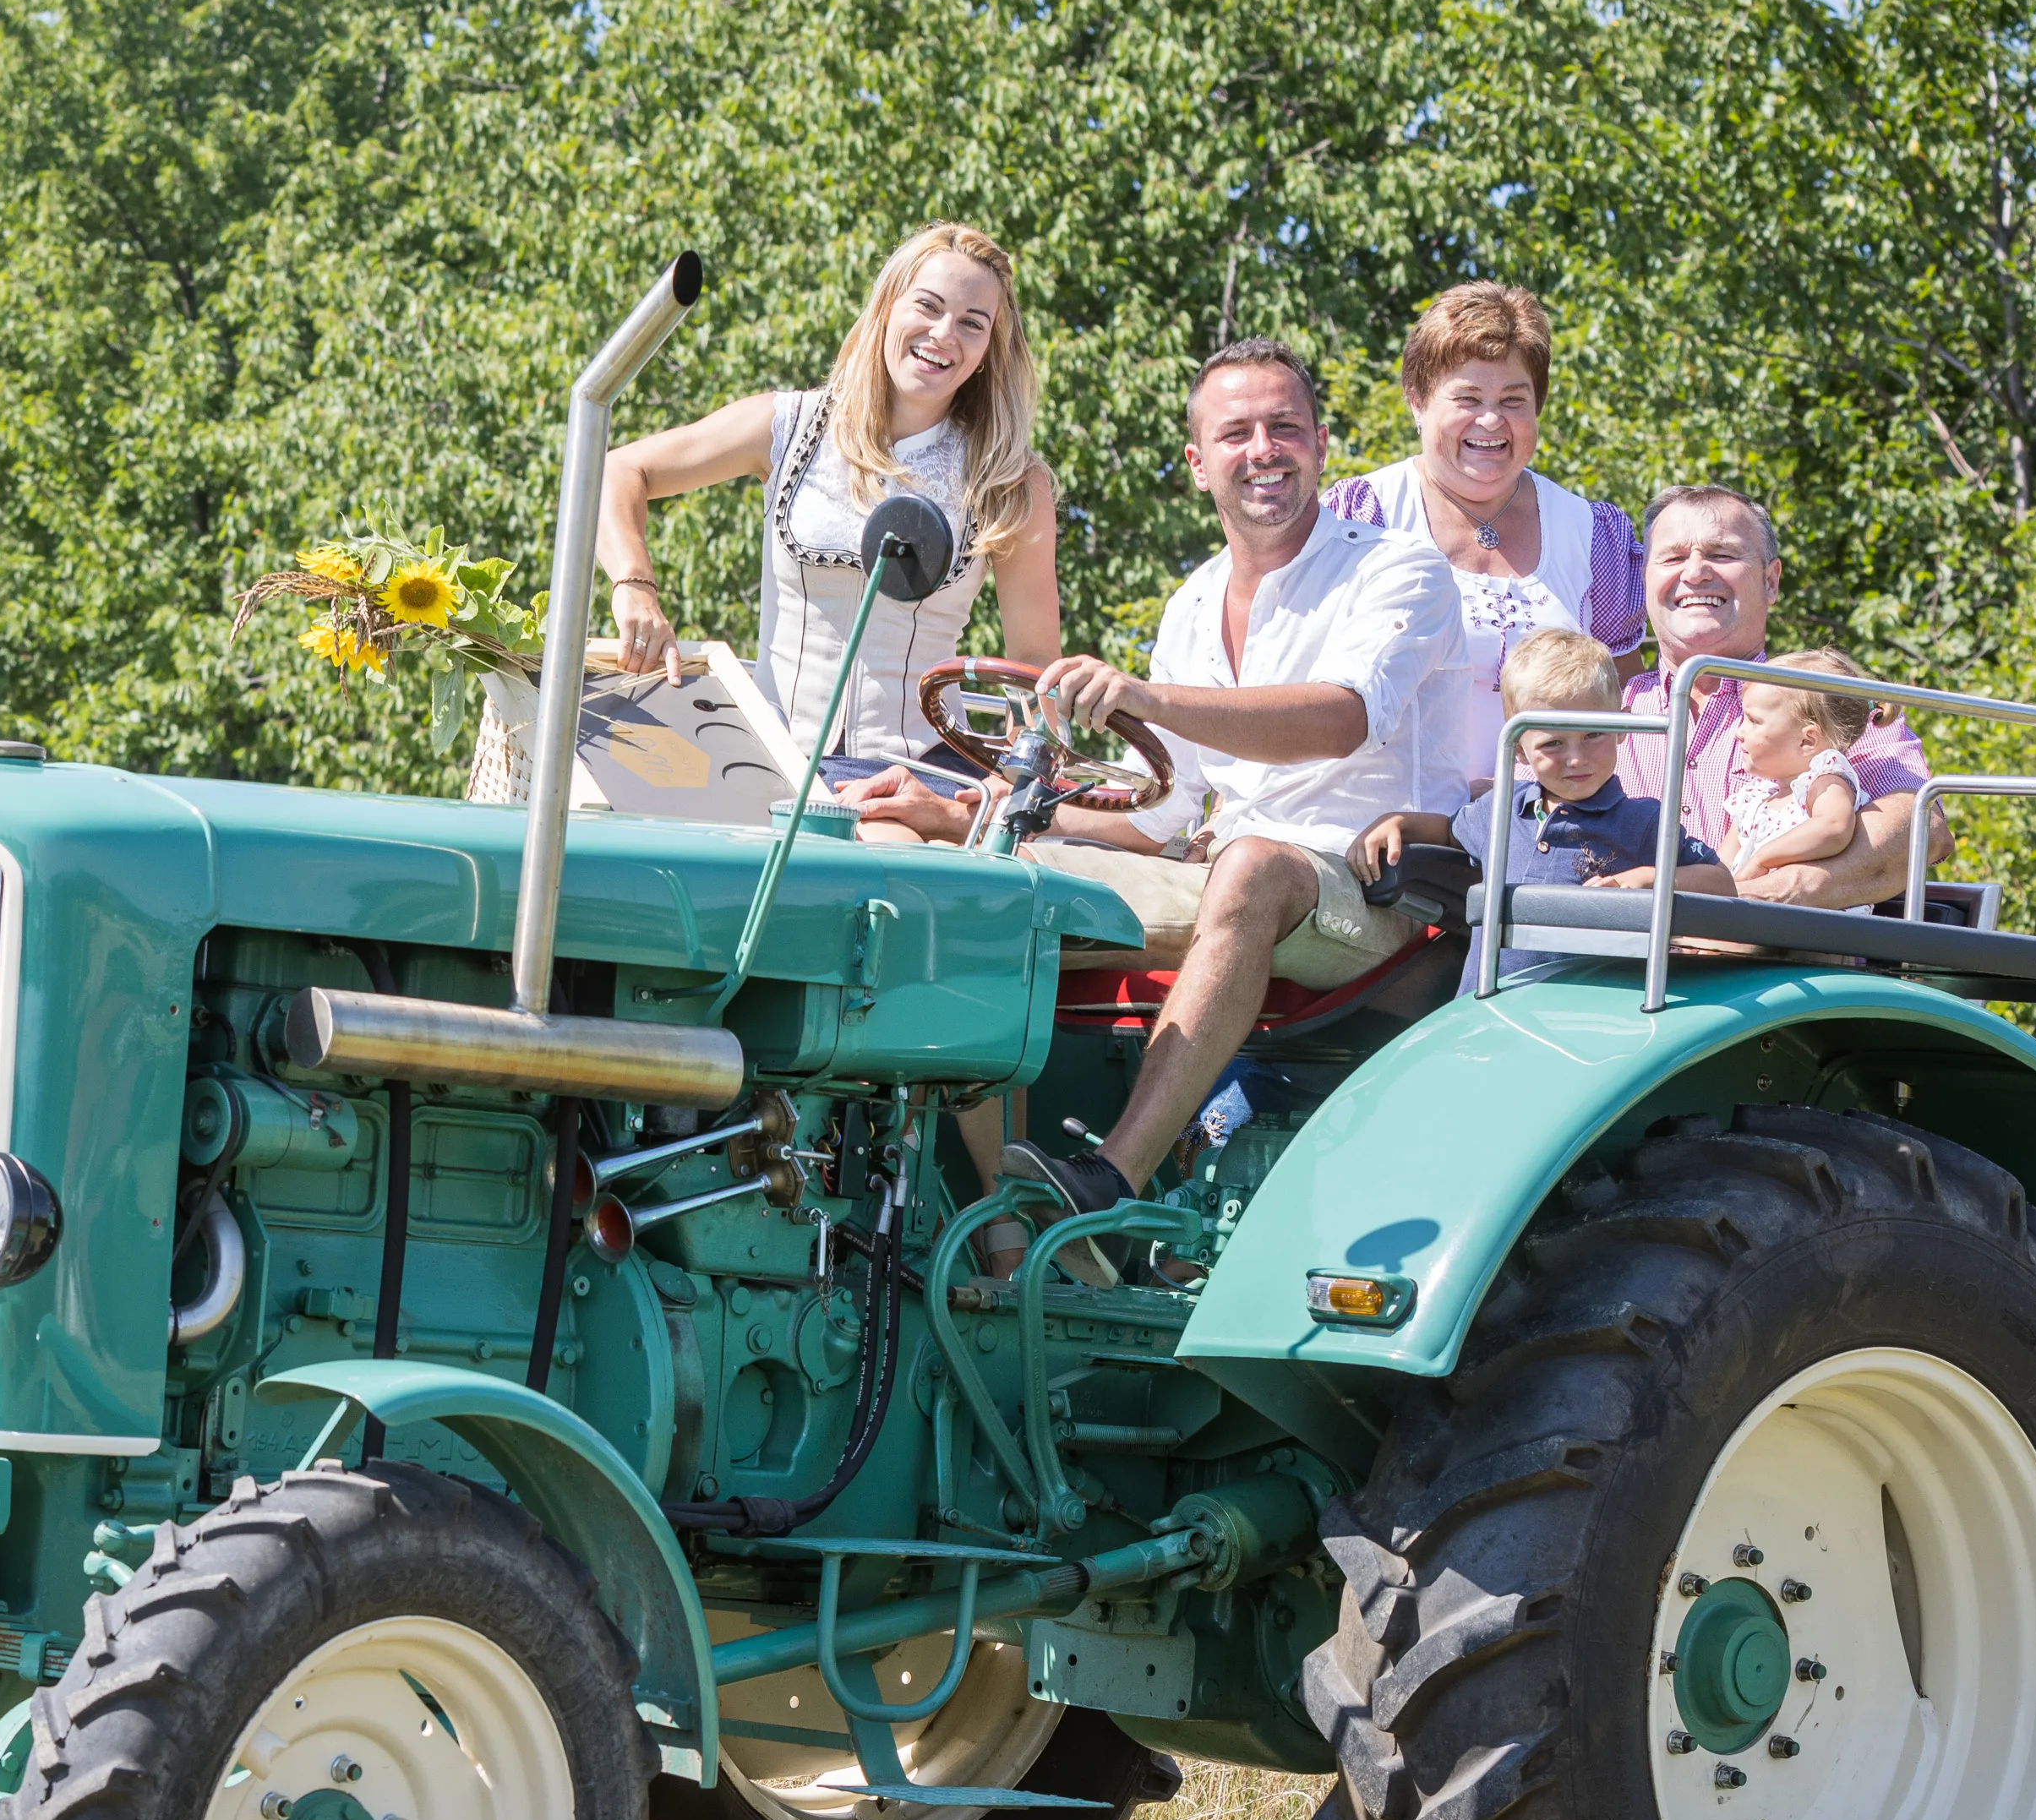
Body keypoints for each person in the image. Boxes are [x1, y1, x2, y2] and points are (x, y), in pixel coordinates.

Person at [841, 338, 1464, 1235]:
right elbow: (1164, 813)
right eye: (1236, 432)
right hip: (1226, 877)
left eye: (1284, 428)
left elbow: (1340, 718)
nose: (1263, 450)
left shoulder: (1396, 570)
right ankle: (1007, 1228)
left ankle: (1108, 1179)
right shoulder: (1191, 603)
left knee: (1251, 865)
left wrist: (1146, 696)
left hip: (1373, 892)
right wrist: (961, 812)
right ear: (1196, 463)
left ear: (1321, 445)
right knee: (967, 882)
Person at [598, 224, 1066, 841]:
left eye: (972, 323)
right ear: (887, 305)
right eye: (927, 306)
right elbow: (619, 469)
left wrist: (1008, 787)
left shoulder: (1006, 478)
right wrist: (635, 586)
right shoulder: (788, 425)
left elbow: (1035, 665)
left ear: (988, 350)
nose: (943, 334)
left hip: (912, 777)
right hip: (764, 760)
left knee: (875, 871)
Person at [1322, 283, 1645, 806]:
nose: (1491, 420)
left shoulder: (1593, 533)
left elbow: (1624, 710)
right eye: (1467, 398)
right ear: (1418, 402)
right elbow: (1296, 674)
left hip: (1546, 834)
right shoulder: (1360, 515)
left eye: (1513, 400)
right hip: (1384, 828)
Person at [1619, 486, 1940, 907]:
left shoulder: (1829, 700)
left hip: (1784, 966)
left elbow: (1919, 828)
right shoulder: (1602, 711)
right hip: (1618, 958)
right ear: (1645, 579)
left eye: (1722, 555)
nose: (1695, 573)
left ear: (1771, 582)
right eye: (1674, 558)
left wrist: (1749, 899)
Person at [1354, 629, 1731, 978]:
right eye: (1553, 743)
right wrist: (1398, 822)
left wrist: (1646, 878)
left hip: (1588, 1016)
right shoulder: (1500, 809)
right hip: (1487, 1003)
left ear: (1621, 730)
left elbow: (1721, 882)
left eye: (1593, 735)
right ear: (1518, 746)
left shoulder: (1644, 820)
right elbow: (1449, 833)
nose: (1576, 758)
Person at [1717, 652, 1880, 883]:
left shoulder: (1823, 782)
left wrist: (1762, 859)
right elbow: (1719, 868)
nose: (1739, 732)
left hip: (1804, 916)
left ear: (1807, 741)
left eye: (1753, 721)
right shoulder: (1754, 798)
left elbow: (1834, 826)